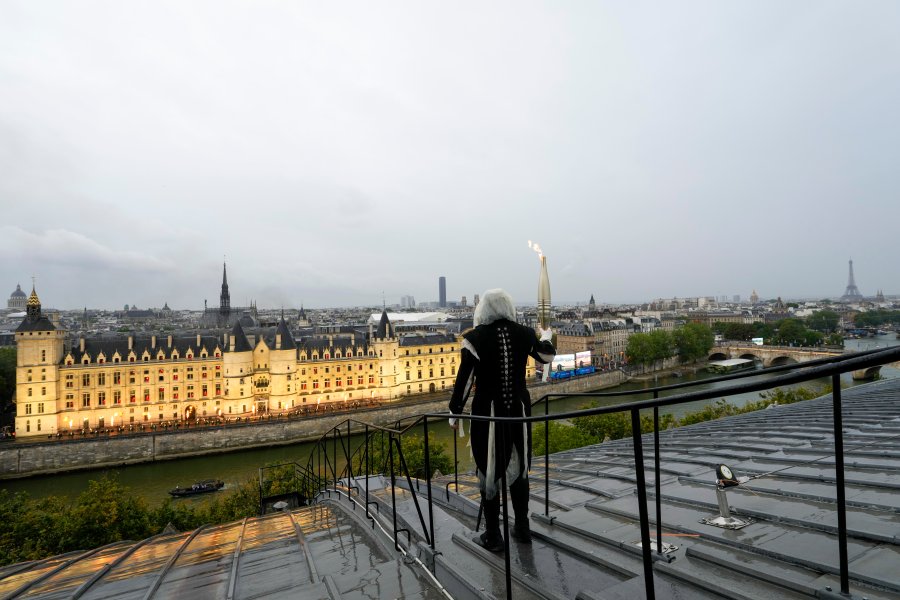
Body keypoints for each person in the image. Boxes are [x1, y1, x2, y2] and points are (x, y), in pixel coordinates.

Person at [448, 289, 555, 552]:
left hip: (488, 411)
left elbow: (466, 381)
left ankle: (494, 535)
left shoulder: (474, 338)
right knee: (519, 468)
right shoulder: (524, 333)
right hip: (518, 410)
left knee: (489, 469)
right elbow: (547, 357)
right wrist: (546, 336)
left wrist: (455, 412)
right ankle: (522, 528)